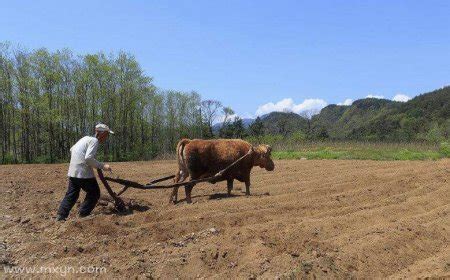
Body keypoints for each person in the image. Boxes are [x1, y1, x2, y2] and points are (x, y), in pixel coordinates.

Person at [56, 124, 114, 221]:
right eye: (107, 134)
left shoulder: (85, 138)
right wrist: (103, 166)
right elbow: (88, 158)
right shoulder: (94, 141)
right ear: (102, 133)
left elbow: (72, 149)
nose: (106, 137)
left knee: (72, 194)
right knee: (94, 192)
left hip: (73, 171)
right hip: (83, 172)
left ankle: (61, 215)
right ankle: (83, 213)